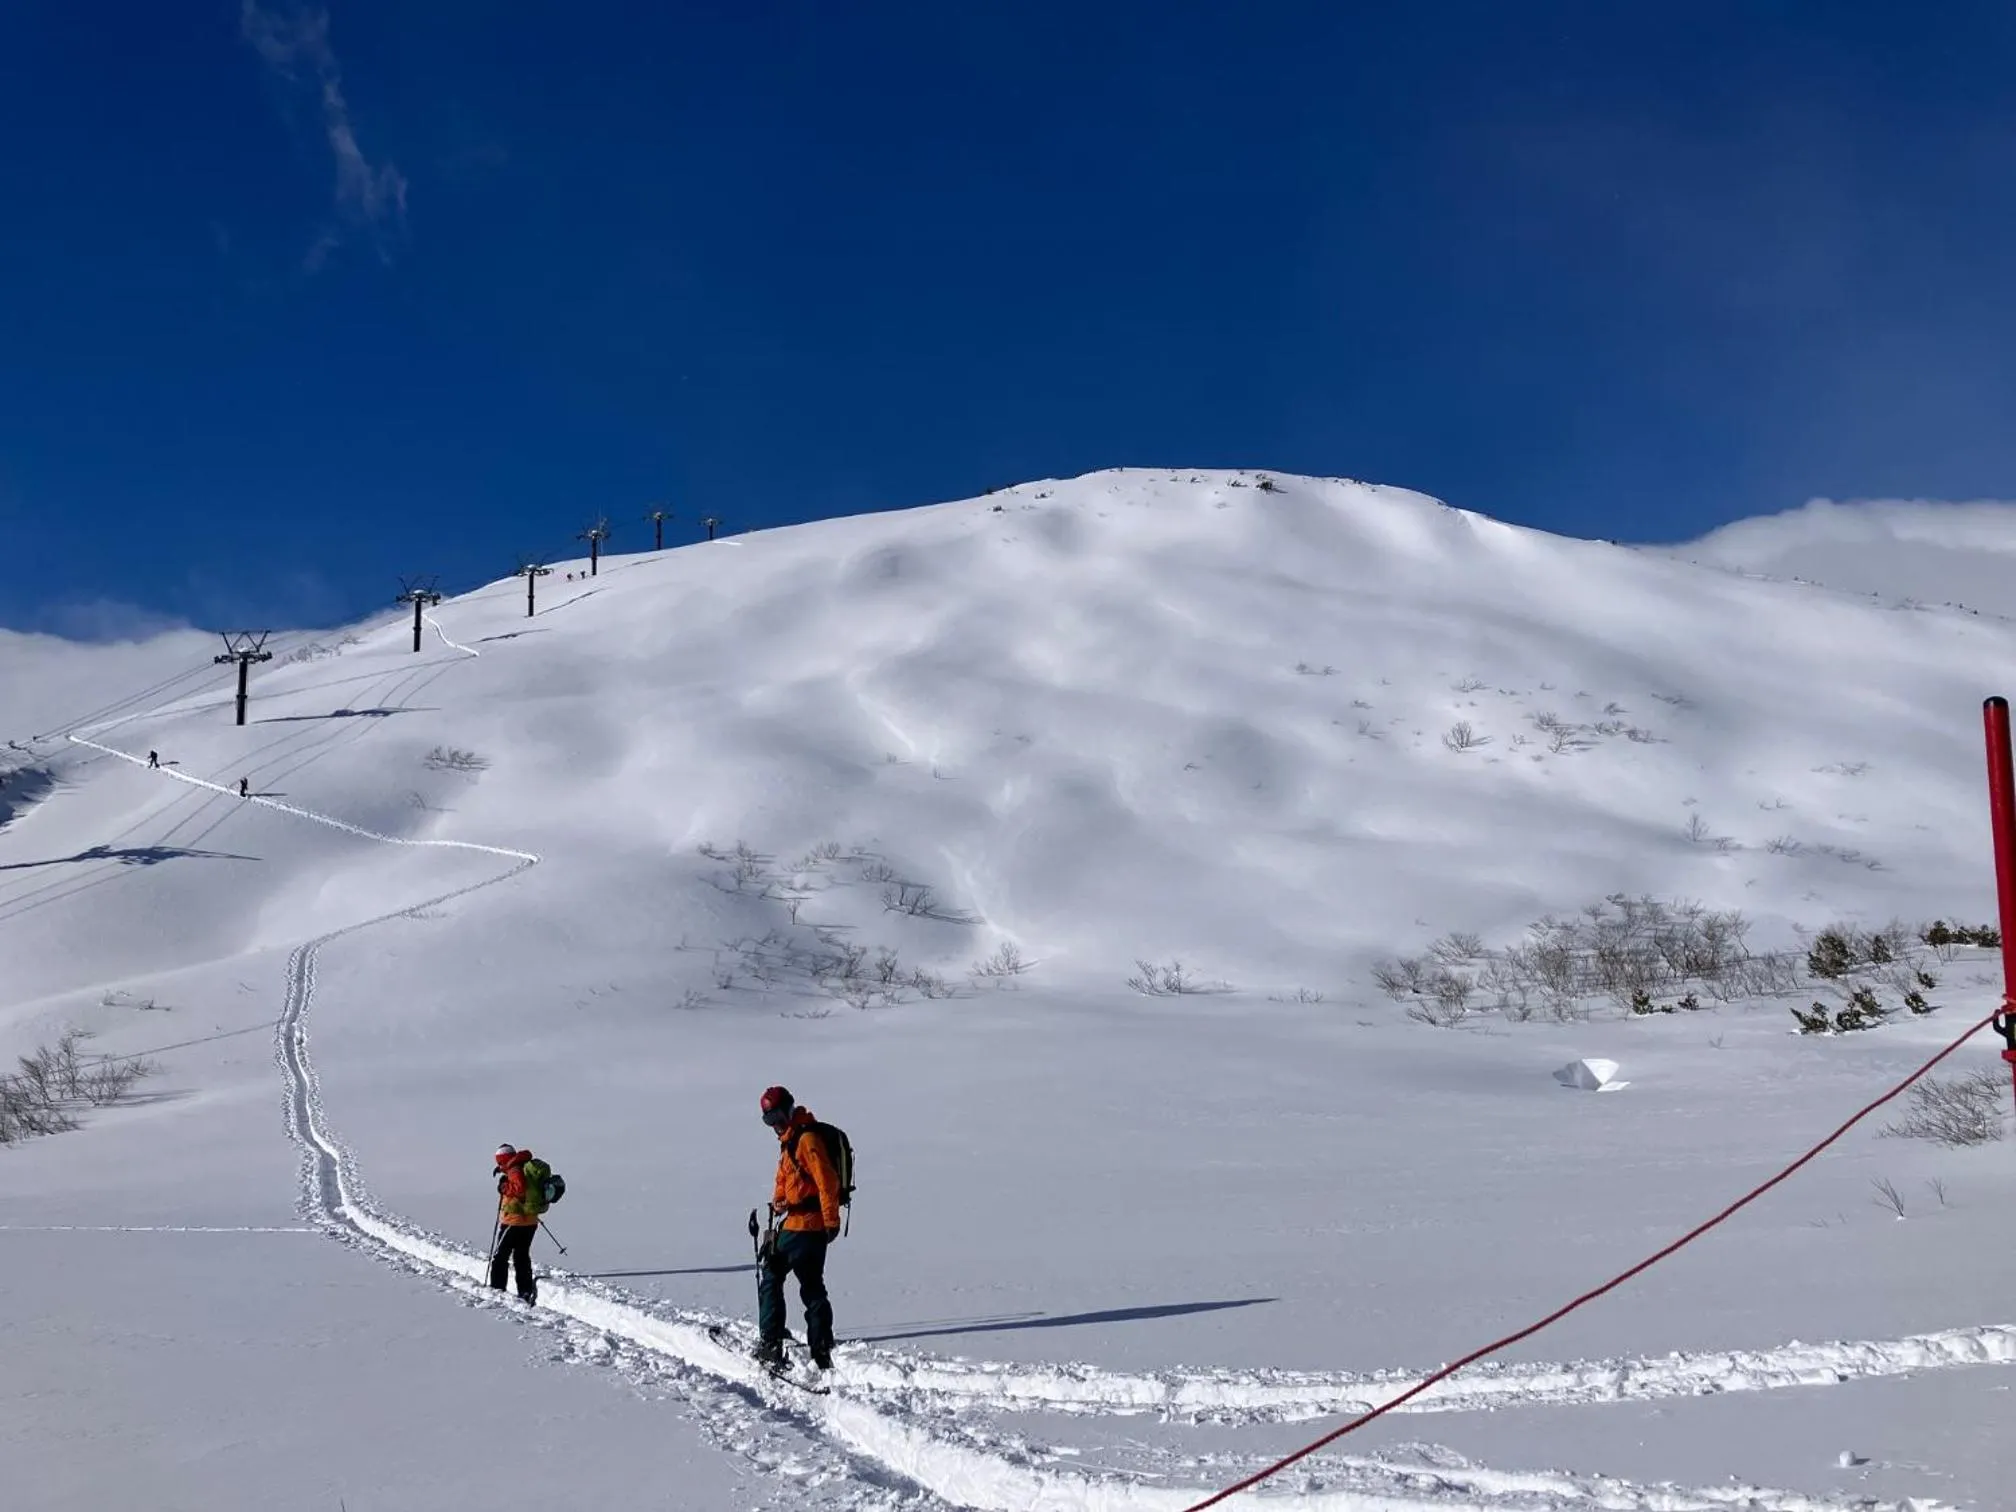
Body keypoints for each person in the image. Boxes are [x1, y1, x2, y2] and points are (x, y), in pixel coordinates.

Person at [755, 1086, 840, 1370]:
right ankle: (822, 1348)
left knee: (771, 1273)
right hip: (805, 1226)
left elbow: (826, 1181)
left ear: (791, 1109)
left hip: (804, 1227)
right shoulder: (792, 1141)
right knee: (812, 1285)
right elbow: (790, 1183)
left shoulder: (806, 1139)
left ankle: (771, 1341)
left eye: (779, 1116)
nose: (776, 1125)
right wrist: (780, 1202)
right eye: (770, 1120)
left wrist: (831, 1221)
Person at [490, 1143, 540, 1303]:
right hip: (530, 1222)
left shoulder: (515, 1170)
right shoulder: (522, 1166)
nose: (498, 1165)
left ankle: (497, 1289)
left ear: (504, 1159)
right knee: (521, 1256)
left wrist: (504, 1187)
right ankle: (525, 1291)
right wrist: (503, 1172)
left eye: (499, 1162)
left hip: (514, 1221)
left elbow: (519, 1190)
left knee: (500, 1257)